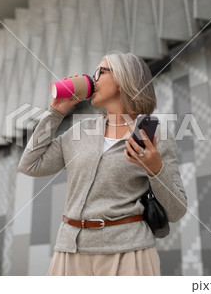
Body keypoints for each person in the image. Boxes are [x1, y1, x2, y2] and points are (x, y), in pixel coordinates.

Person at [18, 52, 187, 276]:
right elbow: (30, 165)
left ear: (123, 79)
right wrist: (55, 113)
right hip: (70, 251)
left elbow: (176, 211)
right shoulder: (80, 131)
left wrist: (156, 170)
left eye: (100, 72)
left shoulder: (154, 137)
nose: (92, 78)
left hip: (128, 254)